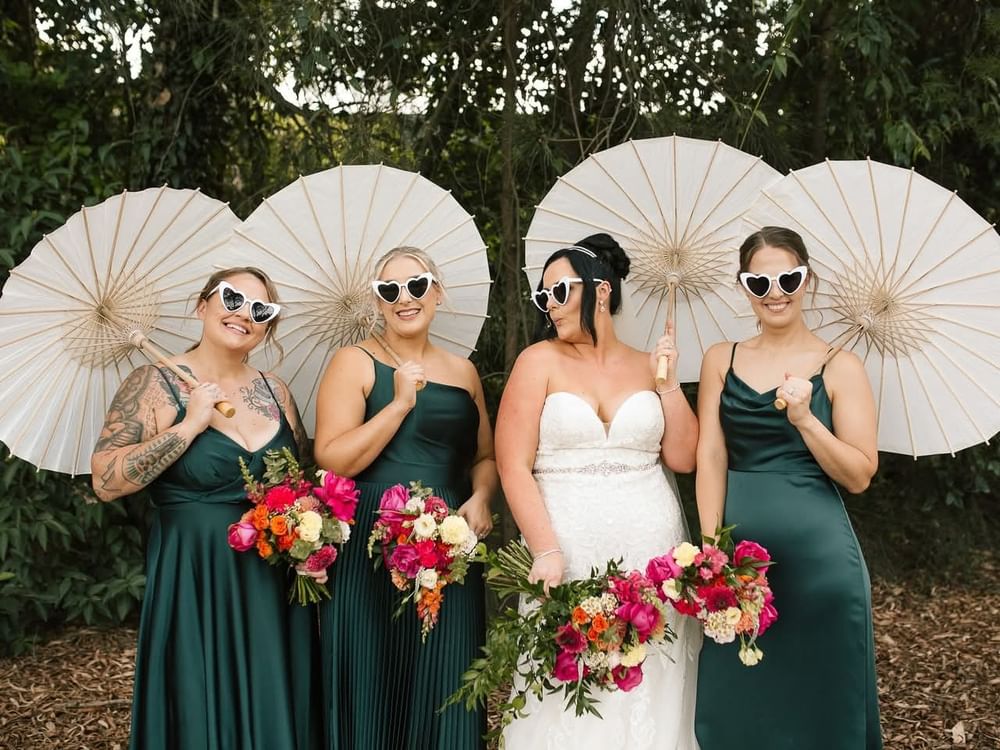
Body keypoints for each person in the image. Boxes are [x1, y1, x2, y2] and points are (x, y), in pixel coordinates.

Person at [90, 267, 315, 749]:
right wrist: (188, 427)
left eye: (261, 310)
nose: (243, 314)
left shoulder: (276, 392)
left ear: (268, 327)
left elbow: (300, 485)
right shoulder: (153, 383)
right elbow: (106, 480)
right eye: (232, 298)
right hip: (194, 575)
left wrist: (313, 546)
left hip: (270, 581)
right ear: (202, 306)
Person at [495, 233, 702, 749]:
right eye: (543, 296)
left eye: (559, 291)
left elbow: (682, 457)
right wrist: (544, 548)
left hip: (650, 548)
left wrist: (671, 385)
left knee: (651, 677)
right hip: (567, 549)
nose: (550, 305)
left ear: (601, 290)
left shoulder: (647, 364)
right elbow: (513, 465)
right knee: (571, 676)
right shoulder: (536, 362)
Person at [694, 226, 882, 749]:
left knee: (821, 709)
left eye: (788, 277)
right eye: (760, 281)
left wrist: (805, 419)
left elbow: (860, 474)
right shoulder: (719, 358)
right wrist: (712, 550)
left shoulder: (841, 367)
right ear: (743, 286)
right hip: (739, 564)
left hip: (821, 565)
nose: (775, 291)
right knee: (737, 707)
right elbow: (710, 454)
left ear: (808, 281)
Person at [313, 246, 497, 750]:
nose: (404, 298)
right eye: (389, 290)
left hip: (450, 547)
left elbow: (484, 455)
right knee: (372, 673)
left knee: (447, 672)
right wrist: (398, 405)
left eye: (416, 286)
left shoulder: (463, 372)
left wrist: (482, 496)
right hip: (371, 544)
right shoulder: (354, 361)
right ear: (378, 300)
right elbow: (331, 459)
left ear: (436, 292)